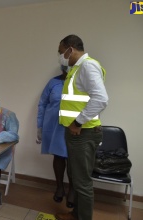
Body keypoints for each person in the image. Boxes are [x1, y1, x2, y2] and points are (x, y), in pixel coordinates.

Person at [55, 35, 108, 220]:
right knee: (76, 177)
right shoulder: (76, 68)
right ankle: (76, 214)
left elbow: (101, 99)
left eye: (62, 52)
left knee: (82, 182)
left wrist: (78, 122)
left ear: (71, 49)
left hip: (83, 132)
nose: (61, 56)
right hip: (76, 133)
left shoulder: (87, 66)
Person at [36, 65, 74, 208]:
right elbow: (42, 104)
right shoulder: (53, 83)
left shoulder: (80, 82)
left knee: (72, 159)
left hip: (73, 126)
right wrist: (39, 126)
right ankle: (59, 187)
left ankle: (72, 190)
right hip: (54, 126)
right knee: (58, 157)